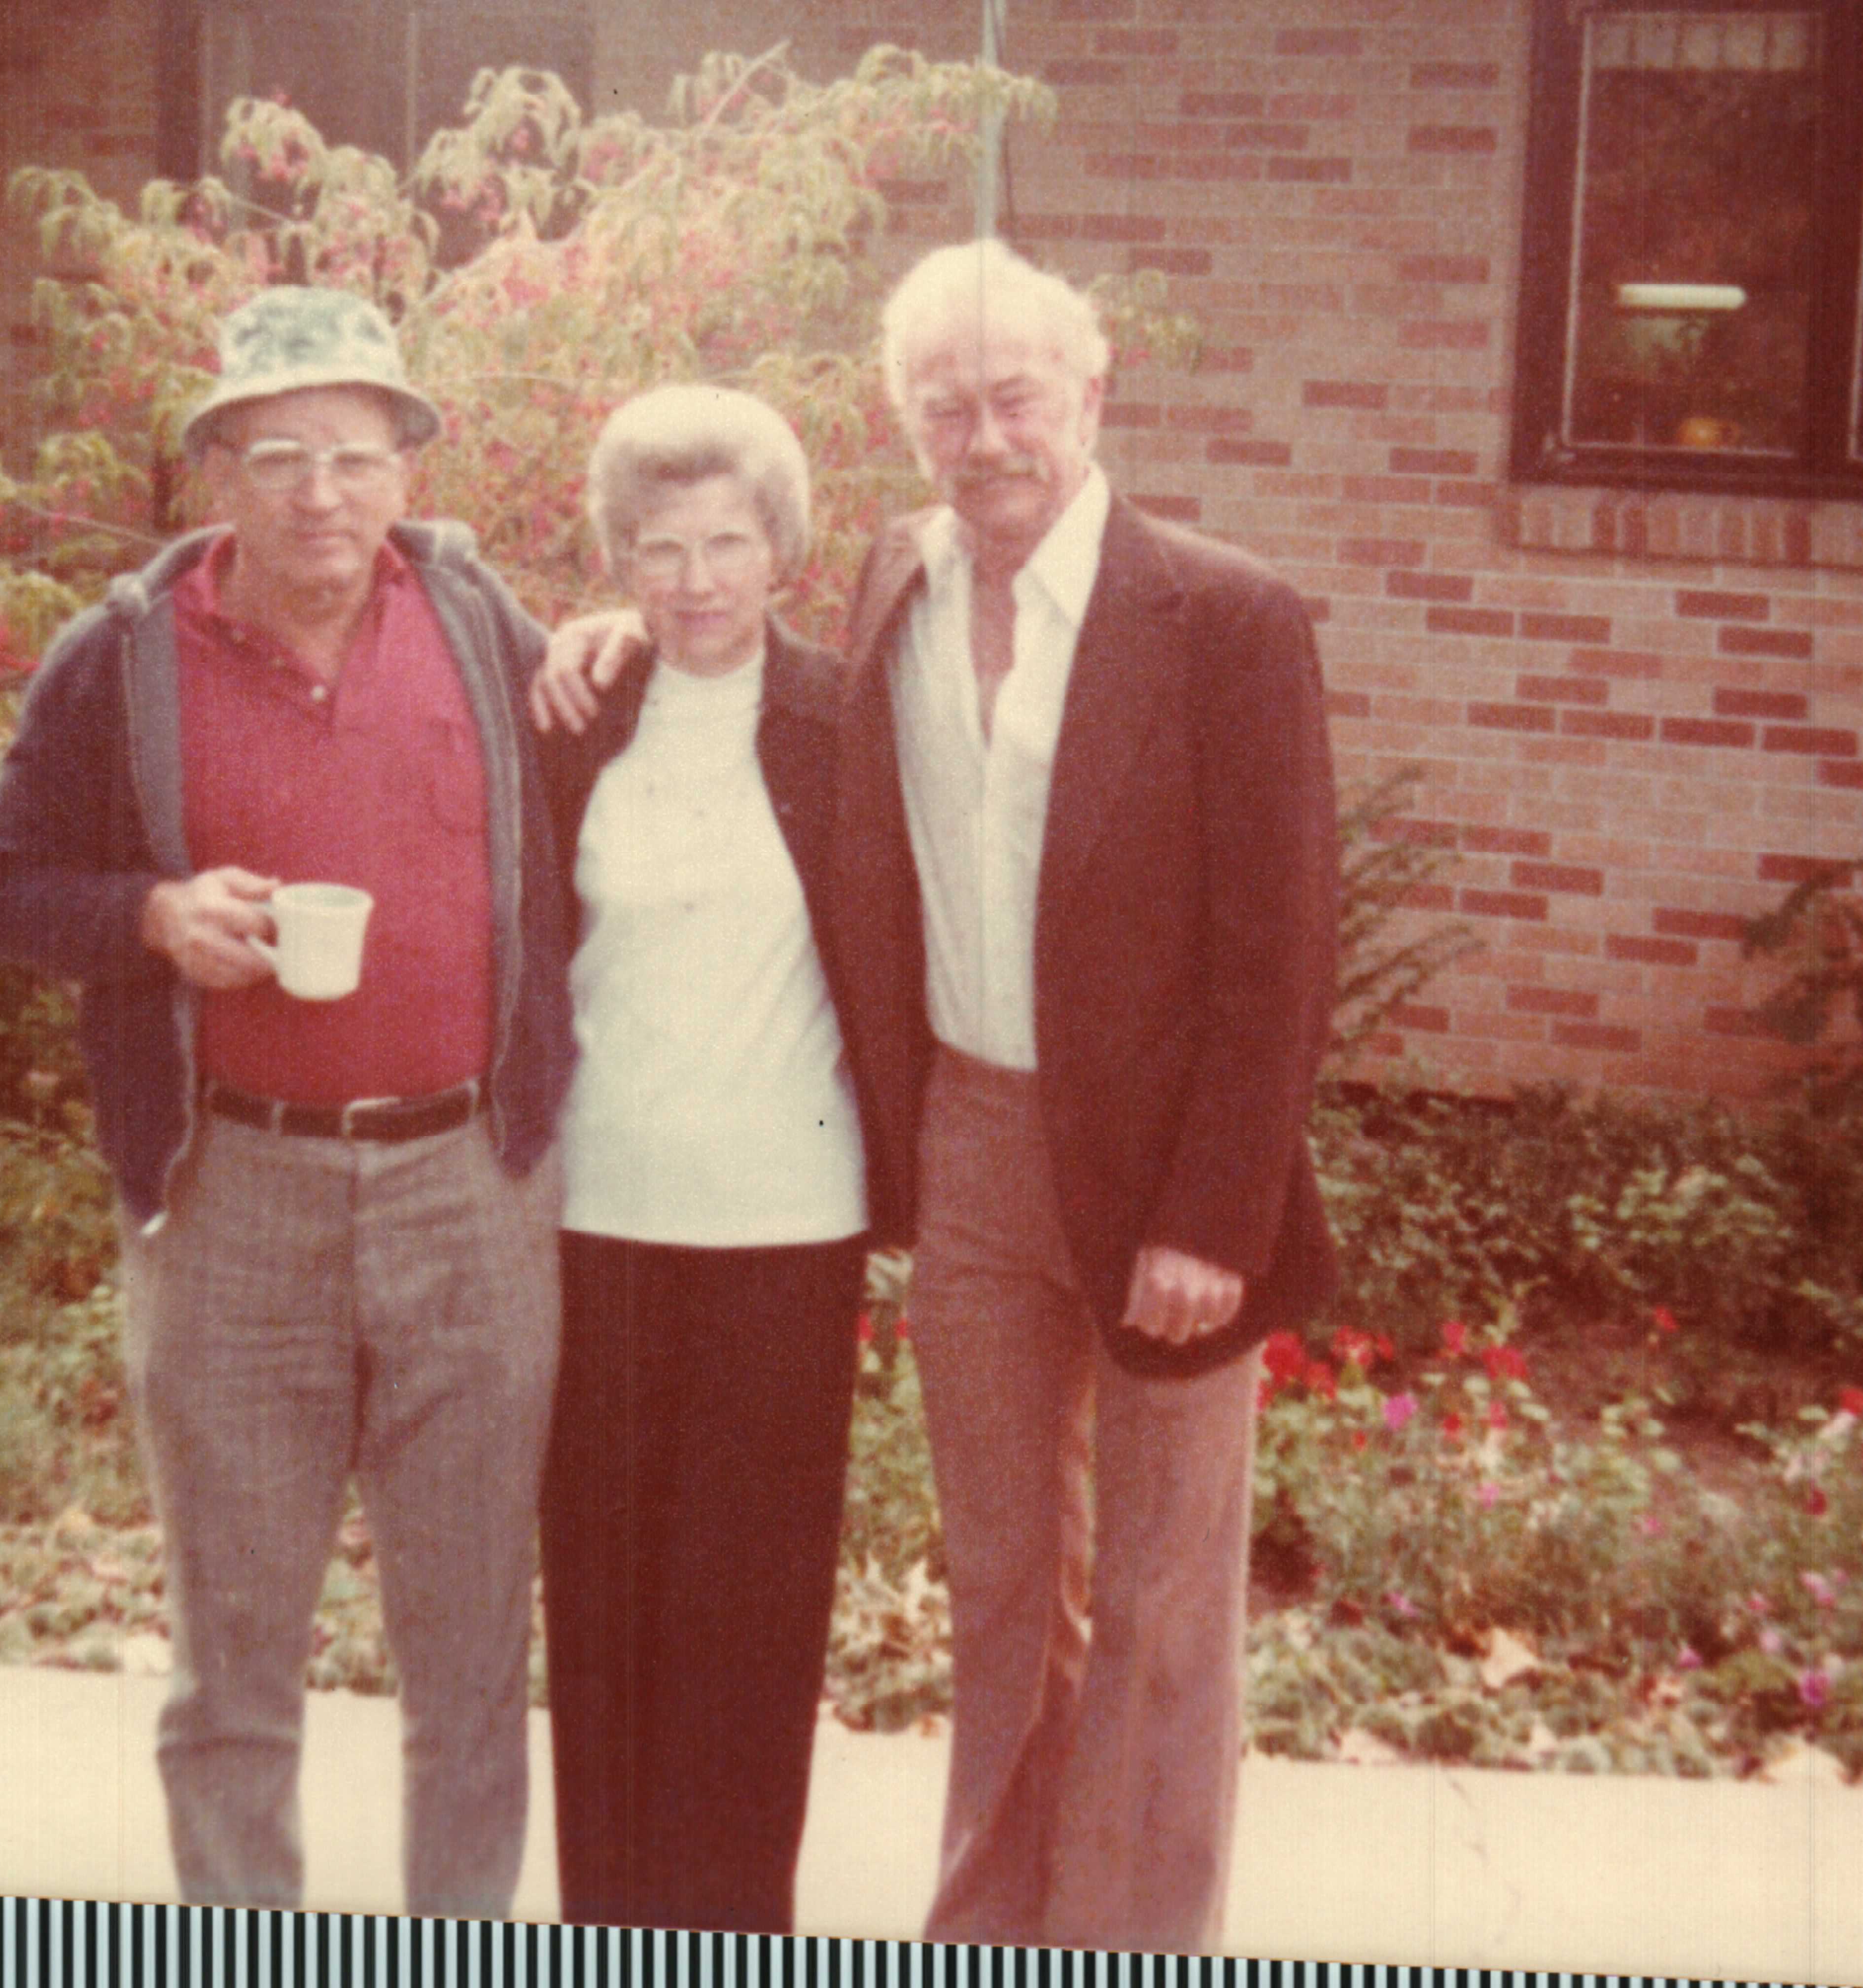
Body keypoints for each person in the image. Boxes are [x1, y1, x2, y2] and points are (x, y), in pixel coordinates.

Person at [537, 241, 1340, 1953]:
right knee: (1003, 1582)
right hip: (974, 1143)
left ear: (1093, 390)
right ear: (907, 427)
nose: (986, 438)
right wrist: (622, 627)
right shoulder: (898, 584)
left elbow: (1280, 956)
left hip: (1164, 1167)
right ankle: (986, 1923)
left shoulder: (1226, 617)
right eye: (944, 407)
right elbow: (729, 659)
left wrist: (1217, 1214)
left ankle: (1130, 1939)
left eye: (1015, 398)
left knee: (1162, 1602)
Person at [0, 285, 575, 1918]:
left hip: (472, 1186)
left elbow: (614, 814)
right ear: (219, 468)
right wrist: (152, 916)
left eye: (355, 454)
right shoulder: (120, 658)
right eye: (281, 453)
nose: (321, 491)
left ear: (407, 469)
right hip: (231, 1192)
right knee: (233, 1661)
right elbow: (0, 888)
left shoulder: (482, 627)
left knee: (471, 1654)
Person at [530, 384, 869, 1933]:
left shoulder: (847, 723)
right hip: (596, 1219)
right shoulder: (576, 716)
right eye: (659, 549)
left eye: (728, 542)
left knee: (750, 1627)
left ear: (781, 550)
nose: (696, 580)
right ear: (620, 562)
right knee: (604, 1621)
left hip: (786, 1227)